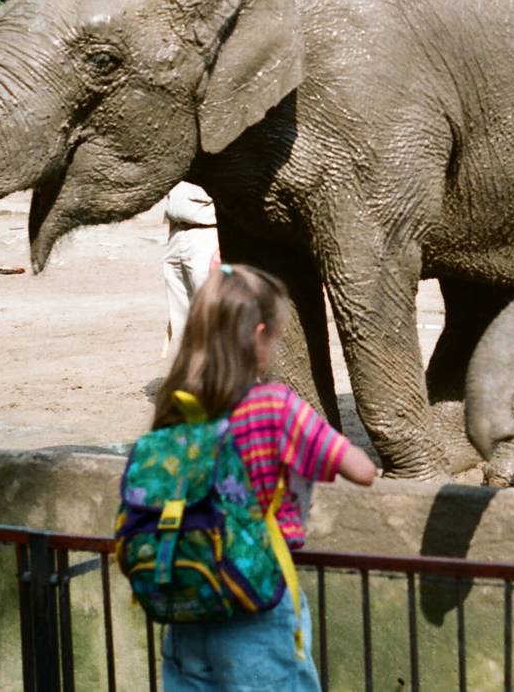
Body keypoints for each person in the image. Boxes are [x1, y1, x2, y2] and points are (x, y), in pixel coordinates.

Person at [153, 264, 377, 691]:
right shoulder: (274, 407)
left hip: (187, 609)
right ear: (258, 337)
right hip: (255, 602)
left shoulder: (175, 408)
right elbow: (361, 470)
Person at [163, 182, 221, 357]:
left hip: (206, 233)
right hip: (177, 233)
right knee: (180, 312)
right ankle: (189, 375)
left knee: (210, 310)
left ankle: (220, 374)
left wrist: (220, 248)